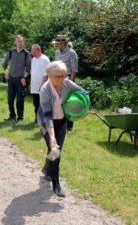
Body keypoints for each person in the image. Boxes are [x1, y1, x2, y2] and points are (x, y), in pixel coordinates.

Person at [37, 61, 86, 197]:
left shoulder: (65, 82)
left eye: (63, 76)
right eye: (57, 77)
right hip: (47, 122)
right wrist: (52, 137)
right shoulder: (44, 91)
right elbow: (47, 117)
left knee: (56, 151)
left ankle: (47, 168)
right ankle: (56, 184)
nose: (61, 79)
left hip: (62, 121)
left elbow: (83, 93)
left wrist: (81, 111)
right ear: (49, 76)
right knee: (55, 150)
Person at [3, 35, 31, 122]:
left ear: (23, 42)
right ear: (15, 42)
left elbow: (29, 68)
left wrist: (24, 78)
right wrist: (6, 71)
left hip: (20, 80)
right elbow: (4, 64)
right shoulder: (11, 52)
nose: (20, 43)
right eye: (18, 41)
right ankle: (12, 116)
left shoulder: (26, 54)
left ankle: (20, 118)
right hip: (11, 80)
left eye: (21, 41)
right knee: (10, 100)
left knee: (20, 100)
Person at [54, 34, 78, 133]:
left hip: (67, 79)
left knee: (68, 104)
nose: (57, 45)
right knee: (59, 103)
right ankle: (61, 124)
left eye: (58, 44)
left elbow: (74, 70)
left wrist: (70, 83)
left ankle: (69, 127)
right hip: (57, 79)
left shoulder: (72, 53)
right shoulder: (57, 53)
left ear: (64, 43)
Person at [30, 44, 50, 123]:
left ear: (39, 50)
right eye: (32, 51)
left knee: (42, 104)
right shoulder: (33, 59)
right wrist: (31, 83)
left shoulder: (45, 59)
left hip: (42, 86)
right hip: (34, 86)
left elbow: (46, 74)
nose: (32, 53)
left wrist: (42, 86)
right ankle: (37, 117)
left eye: (34, 51)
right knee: (35, 103)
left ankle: (42, 119)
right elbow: (32, 73)